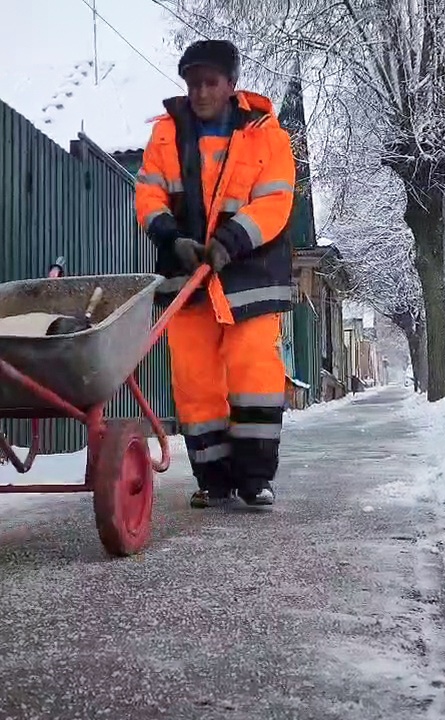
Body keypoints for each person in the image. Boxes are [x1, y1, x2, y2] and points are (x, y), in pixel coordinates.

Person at [135, 39, 296, 508]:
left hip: (249, 274)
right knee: (195, 381)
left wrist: (230, 241)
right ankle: (213, 480)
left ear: (231, 85)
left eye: (211, 82)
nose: (201, 92)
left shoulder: (266, 134)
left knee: (254, 375)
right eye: (193, 83)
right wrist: (170, 237)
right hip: (187, 276)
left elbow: (274, 202)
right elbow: (148, 196)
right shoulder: (167, 134)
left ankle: (255, 479)